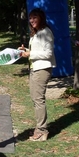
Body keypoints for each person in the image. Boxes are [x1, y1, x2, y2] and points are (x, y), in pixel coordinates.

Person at [18, 8, 56, 141]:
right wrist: (26, 50)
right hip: (35, 68)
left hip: (42, 69)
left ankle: (42, 131)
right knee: (35, 99)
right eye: (30, 18)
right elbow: (38, 51)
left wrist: (30, 54)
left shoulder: (46, 32)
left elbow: (48, 54)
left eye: (35, 17)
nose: (32, 20)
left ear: (41, 18)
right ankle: (40, 128)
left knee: (38, 100)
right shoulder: (37, 33)